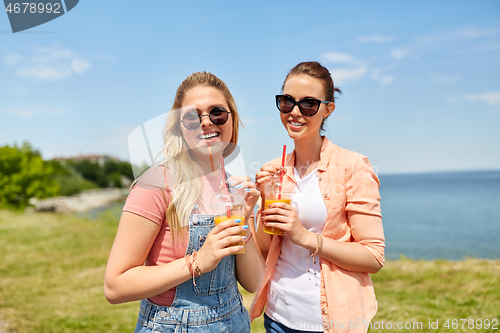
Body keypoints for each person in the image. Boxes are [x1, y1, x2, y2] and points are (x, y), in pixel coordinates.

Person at [104, 71, 265, 332]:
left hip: (234, 321)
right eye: (192, 116)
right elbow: (115, 286)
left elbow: (256, 282)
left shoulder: (233, 187)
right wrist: (198, 261)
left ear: (232, 119)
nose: (206, 122)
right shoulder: (157, 183)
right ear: (180, 128)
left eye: (217, 113)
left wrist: (243, 224)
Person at [250, 62, 385, 333]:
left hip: (331, 322)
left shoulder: (353, 166)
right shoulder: (273, 171)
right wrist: (263, 202)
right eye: (287, 101)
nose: (295, 112)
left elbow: (373, 256)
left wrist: (306, 237)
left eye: (308, 104)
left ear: (328, 109)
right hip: (277, 318)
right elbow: (263, 251)